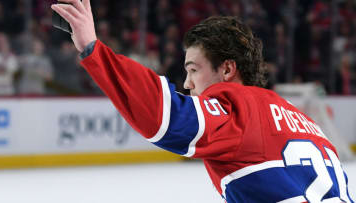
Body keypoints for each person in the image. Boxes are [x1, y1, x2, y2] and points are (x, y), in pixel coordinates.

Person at [51, 1, 354, 202]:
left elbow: (164, 116)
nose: (187, 83)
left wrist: (93, 48)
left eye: (194, 70)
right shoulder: (308, 125)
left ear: (227, 69)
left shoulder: (238, 107)